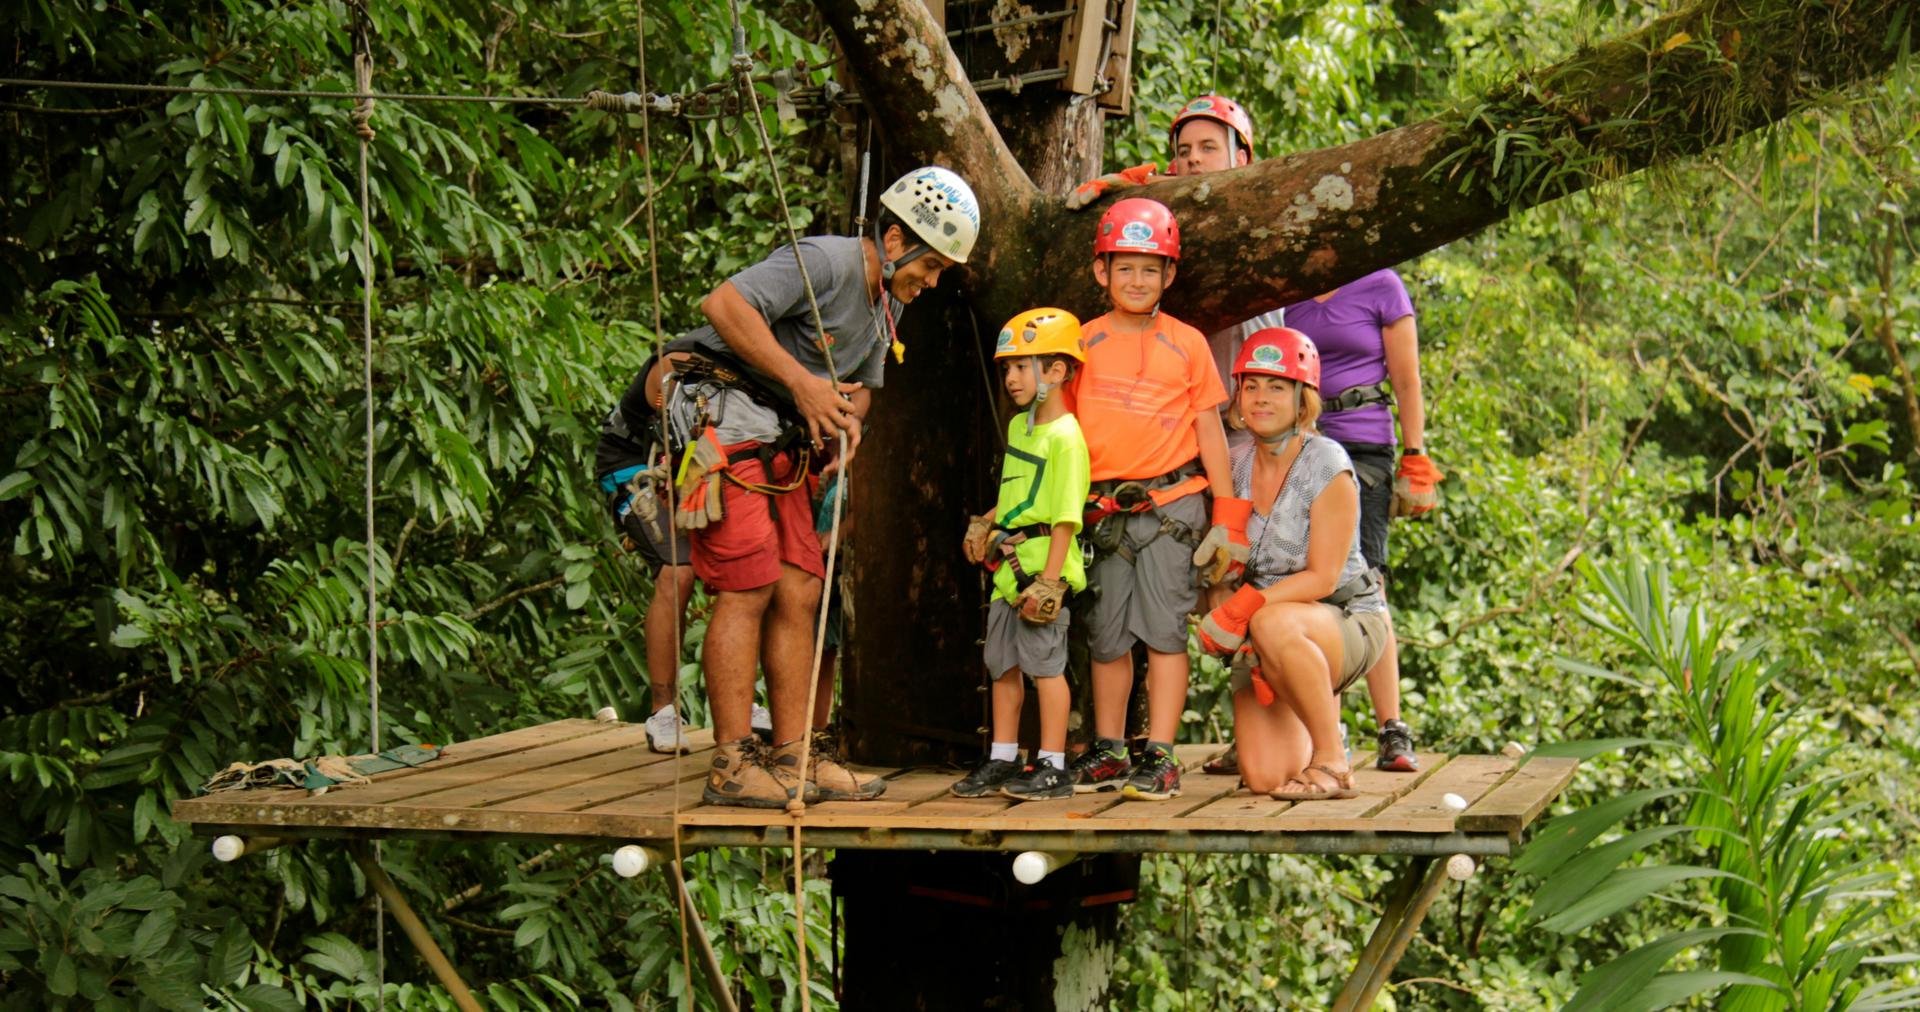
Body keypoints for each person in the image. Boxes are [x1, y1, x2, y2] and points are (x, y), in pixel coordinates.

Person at [659, 166, 982, 808]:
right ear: (896, 243)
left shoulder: (886, 306)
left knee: (803, 587)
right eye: (933, 265)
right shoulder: (827, 261)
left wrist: (846, 429)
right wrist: (802, 383)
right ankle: (730, 761)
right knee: (748, 584)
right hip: (716, 408)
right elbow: (722, 305)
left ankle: (796, 753)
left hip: (780, 434)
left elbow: (860, 392)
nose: (933, 282)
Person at [1067, 198, 1236, 802]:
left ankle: (1160, 753)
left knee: (1164, 633)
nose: (1136, 280)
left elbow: (1210, 428)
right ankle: (1110, 748)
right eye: (1125, 268)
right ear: (1101, 272)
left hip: (1173, 506)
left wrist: (1228, 515)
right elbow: (1061, 429)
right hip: (1104, 511)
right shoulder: (1081, 343)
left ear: (1168, 275)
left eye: (1149, 268)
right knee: (1107, 635)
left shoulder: (1187, 343)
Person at [1195, 328, 1392, 799]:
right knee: (1265, 777)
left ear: (1302, 399)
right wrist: (1221, 606)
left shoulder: (1327, 463)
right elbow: (1226, 564)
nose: (1261, 398)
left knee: (1274, 620)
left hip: (1345, 620)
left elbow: (1323, 577)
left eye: (1277, 387)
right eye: (1252, 385)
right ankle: (1314, 717)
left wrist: (1246, 608)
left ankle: (1332, 760)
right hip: (1267, 632)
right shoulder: (1236, 465)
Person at [1278, 271, 1440, 771]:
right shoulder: (1285, 287)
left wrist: (1416, 456)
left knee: (1365, 580)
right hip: (1298, 446)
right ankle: (1329, 728)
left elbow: (1407, 377)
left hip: (1364, 445)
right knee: (1306, 582)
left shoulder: (1380, 284)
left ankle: (1391, 726)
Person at [594, 355, 771, 753]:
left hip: (712, 462)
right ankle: (663, 710)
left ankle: (742, 702)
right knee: (681, 569)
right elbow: (670, 416)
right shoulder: (685, 354)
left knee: (748, 572)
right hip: (639, 463)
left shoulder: (773, 360)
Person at [949, 309, 1091, 802]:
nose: (1010, 377)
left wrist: (1050, 582)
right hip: (1010, 569)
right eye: (1006, 368)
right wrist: (989, 519)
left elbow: (1066, 516)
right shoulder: (1018, 428)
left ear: (1056, 370)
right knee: (1002, 664)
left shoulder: (1066, 438)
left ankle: (1053, 763)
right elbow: (1021, 498)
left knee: (1045, 666)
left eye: (1021, 366)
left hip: (1043, 567)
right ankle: (1003, 757)